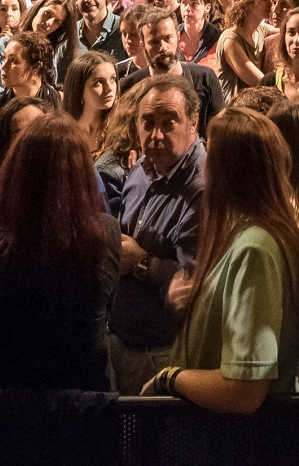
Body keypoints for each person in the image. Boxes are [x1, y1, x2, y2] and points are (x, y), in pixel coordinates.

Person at [143, 107, 299, 411]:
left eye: (211, 151)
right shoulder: (251, 235)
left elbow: (243, 391)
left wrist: (169, 378)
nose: (204, 162)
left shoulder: (255, 248)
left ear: (231, 168)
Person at [0, 114, 121, 403]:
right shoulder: (106, 236)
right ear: (83, 176)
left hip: (13, 420)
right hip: (90, 409)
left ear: (15, 174)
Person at [110, 74, 205, 393]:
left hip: (166, 355)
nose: (156, 133)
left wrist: (140, 262)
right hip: (123, 343)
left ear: (193, 122)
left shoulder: (203, 188)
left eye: (169, 122)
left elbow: (197, 287)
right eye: (147, 122)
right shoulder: (140, 170)